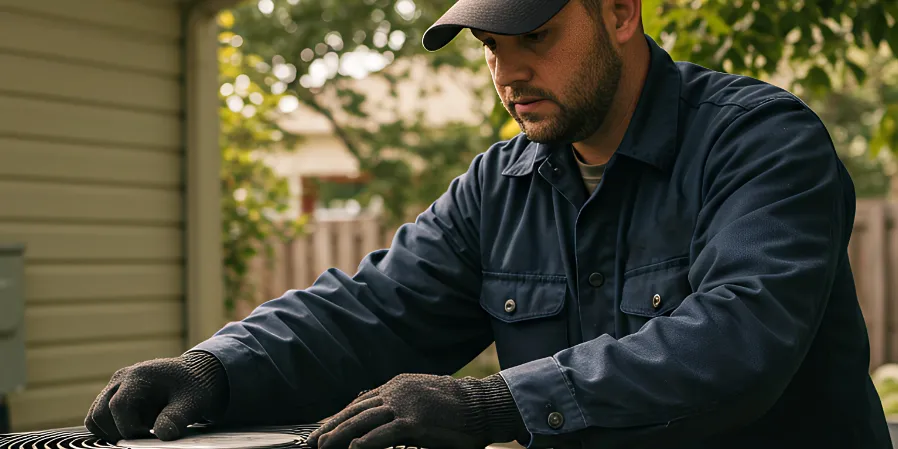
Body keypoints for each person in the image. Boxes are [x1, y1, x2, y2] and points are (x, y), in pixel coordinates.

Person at [84, 0, 892, 448]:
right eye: (488, 45)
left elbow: (737, 338)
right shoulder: (498, 186)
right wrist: (215, 367)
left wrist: (500, 402)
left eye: (535, 36)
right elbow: (369, 311)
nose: (507, 72)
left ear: (619, 11)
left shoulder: (761, 142)